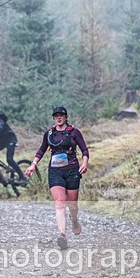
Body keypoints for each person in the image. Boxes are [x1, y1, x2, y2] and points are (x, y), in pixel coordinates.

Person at [26, 106, 89, 250]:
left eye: (61, 115)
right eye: (56, 116)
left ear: (66, 117)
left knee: (72, 205)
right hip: (55, 172)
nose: (59, 118)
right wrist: (33, 165)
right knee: (60, 203)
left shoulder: (74, 132)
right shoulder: (49, 134)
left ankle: (74, 220)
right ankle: (62, 235)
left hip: (72, 170)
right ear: (53, 118)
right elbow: (42, 150)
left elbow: (84, 149)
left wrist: (85, 163)